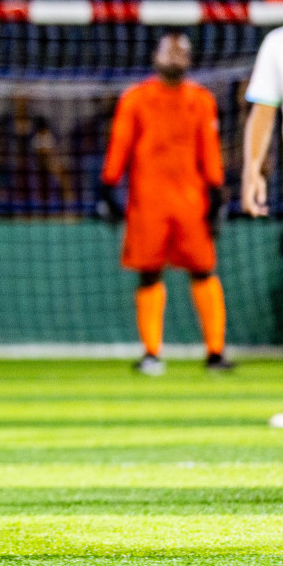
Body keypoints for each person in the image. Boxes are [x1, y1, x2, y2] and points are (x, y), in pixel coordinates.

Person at [101, 33, 228, 376]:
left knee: (203, 270)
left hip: (191, 200)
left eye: (182, 52)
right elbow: (121, 144)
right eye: (169, 50)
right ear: (155, 56)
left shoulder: (201, 100)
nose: (175, 57)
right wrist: (109, 184)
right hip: (148, 201)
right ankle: (151, 353)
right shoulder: (135, 99)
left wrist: (216, 192)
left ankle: (215, 353)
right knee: (149, 272)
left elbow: (210, 150)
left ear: (190, 60)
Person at [241, 21, 283, 426]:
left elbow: (263, 111)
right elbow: (263, 110)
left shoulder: (281, 41)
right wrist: (252, 171)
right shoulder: (279, 42)